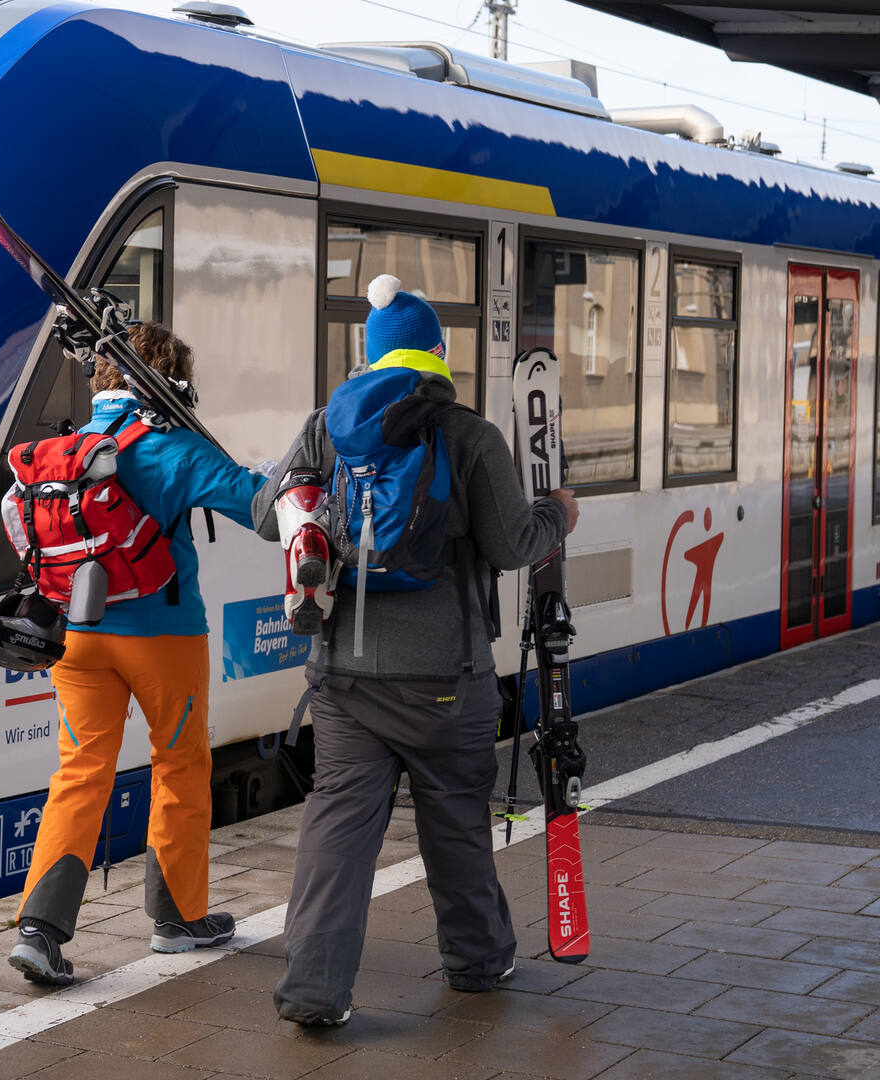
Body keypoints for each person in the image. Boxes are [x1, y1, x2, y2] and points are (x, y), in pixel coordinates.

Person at [250, 276, 578, 1025]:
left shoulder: (326, 428)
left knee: (336, 828)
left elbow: (269, 516)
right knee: (455, 823)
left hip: (343, 678)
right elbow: (512, 543)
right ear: (438, 355)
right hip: (445, 679)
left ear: (370, 356)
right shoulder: (469, 436)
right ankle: (477, 961)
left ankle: (313, 990)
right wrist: (558, 513)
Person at [9, 323, 269, 986]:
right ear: (171, 381)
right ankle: (177, 919)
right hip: (164, 637)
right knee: (179, 766)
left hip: (78, 634)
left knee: (80, 773)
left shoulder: (67, 450)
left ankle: (40, 931)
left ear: (102, 381)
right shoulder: (175, 448)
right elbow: (260, 511)